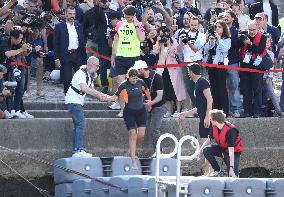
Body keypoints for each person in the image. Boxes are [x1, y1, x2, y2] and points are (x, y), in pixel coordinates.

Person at [104, 68, 151, 169]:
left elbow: (147, 91)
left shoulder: (141, 82)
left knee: (141, 134)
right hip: (129, 112)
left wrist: (150, 102)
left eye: (135, 78)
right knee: (132, 133)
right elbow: (115, 97)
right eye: (132, 79)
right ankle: (133, 160)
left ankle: (131, 149)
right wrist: (105, 98)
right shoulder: (124, 85)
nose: (134, 81)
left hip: (141, 111)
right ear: (128, 77)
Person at [65, 56, 106, 157]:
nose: (98, 68)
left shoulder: (90, 74)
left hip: (78, 101)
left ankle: (77, 150)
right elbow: (85, 88)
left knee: (77, 125)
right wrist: (99, 95)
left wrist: (103, 96)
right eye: (97, 66)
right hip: (73, 101)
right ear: (91, 64)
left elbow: (92, 89)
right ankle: (78, 150)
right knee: (81, 124)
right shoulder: (80, 73)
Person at [178, 62, 213, 176]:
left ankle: (209, 171)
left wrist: (208, 116)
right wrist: (186, 113)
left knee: (205, 146)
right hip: (202, 117)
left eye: (188, 71)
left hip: (206, 118)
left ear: (191, 72)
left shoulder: (202, 82)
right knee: (204, 146)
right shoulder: (198, 83)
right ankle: (208, 171)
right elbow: (199, 107)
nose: (188, 73)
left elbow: (210, 99)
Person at [111, 5, 145, 117]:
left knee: (135, 84)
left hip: (134, 57)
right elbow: (115, 40)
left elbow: (142, 38)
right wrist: (113, 56)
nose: (128, 19)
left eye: (130, 17)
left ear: (134, 15)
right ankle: (123, 110)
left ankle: (135, 108)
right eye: (126, 17)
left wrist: (135, 25)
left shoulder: (139, 24)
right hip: (121, 57)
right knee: (121, 84)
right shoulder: (120, 24)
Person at [132, 60, 166, 157]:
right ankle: (133, 152)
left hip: (159, 106)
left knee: (154, 128)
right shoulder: (139, 79)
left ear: (142, 69)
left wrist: (151, 103)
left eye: (137, 70)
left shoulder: (157, 77)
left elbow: (160, 96)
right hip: (146, 105)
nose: (136, 73)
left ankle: (159, 152)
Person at [53, 5, 87, 94]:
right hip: (66, 55)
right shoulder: (59, 27)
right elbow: (55, 44)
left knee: (81, 78)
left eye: (74, 14)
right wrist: (57, 58)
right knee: (67, 80)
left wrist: (84, 59)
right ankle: (68, 99)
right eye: (70, 14)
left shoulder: (78, 25)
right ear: (65, 14)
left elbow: (81, 42)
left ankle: (80, 97)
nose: (72, 16)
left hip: (78, 55)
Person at [203, 109, 244, 177]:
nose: (210, 121)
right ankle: (217, 170)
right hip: (223, 149)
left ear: (215, 120)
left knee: (233, 175)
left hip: (233, 153)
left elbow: (231, 152)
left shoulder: (231, 131)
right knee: (206, 150)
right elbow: (208, 140)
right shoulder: (214, 127)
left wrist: (231, 168)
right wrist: (199, 151)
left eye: (210, 119)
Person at [204, 20, 231, 116]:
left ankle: (225, 111)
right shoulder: (213, 38)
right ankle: (216, 110)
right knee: (214, 88)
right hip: (212, 65)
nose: (217, 29)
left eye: (219, 27)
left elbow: (224, 49)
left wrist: (219, 38)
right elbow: (206, 49)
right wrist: (210, 41)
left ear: (223, 28)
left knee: (222, 88)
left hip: (221, 65)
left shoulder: (227, 39)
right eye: (216, 27)